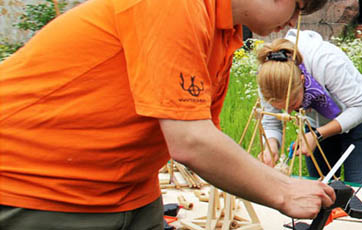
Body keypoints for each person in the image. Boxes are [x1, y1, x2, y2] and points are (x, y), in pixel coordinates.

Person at [0, 0, 335, 229]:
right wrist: (283, 191)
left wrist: (283, 183)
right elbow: (190, 141)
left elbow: (205, 136)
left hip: (126, 190)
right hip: (38, 184)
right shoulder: (175, 6)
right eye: (300, 7)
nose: (293, 22)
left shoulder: (223, 33)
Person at [256, 29, 362, 184]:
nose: (288, 112)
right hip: (316, 126)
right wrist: (271, 146)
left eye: (293, 104)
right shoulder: (268, 77)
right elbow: (271, 121)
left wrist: (317, 135)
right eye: (280, 107)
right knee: (319, 190)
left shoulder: (325, 61)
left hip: (358, 120)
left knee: (356, 193)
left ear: (302, 80)